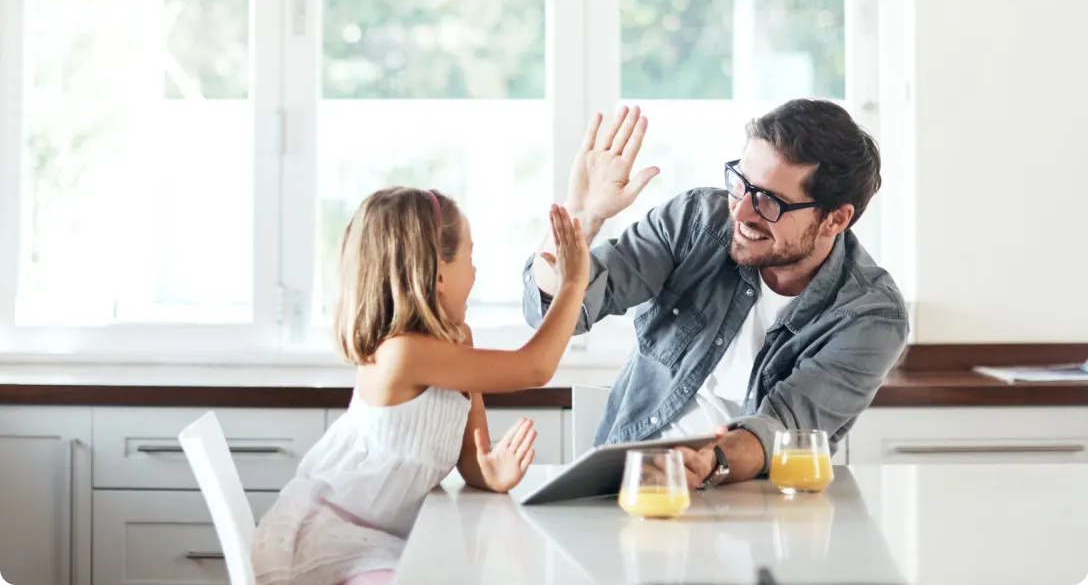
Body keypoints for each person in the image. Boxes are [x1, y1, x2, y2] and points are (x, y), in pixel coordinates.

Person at [522, 100, 909, 490]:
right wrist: (581, 218)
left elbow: (786, 428)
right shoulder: (696, 221)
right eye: (740, 183)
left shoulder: (869, 315)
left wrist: (710, 462)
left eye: (769, 202)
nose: (741, 213)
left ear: (836, 219)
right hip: (630, 486)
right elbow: (559, 314)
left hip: (752, 506)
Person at [252, 187, 590, 585]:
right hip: (336, 535)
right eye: (471, 257)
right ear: (440, 275)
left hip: (389, 538)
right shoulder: (402, 355)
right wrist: (572, 286)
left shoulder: (458, 341)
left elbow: (470, 455)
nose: (476, 272)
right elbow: (535, 368)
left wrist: (488, 471)